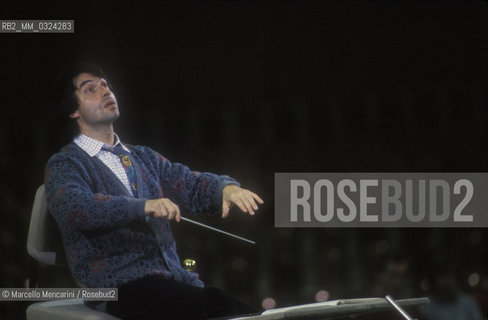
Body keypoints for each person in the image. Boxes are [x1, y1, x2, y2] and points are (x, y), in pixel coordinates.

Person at [44, 63, 264, 320]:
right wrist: (143, 205)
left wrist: (223, 188)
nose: (104, 91)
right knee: (211, 308)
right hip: (118, 286)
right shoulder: (66, 163)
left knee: (245, 312)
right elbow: (74, 206)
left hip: (170, 281)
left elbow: (187, 183)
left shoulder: (142, 157)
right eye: (90, 89)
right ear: (73, 110)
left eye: (105, 84)